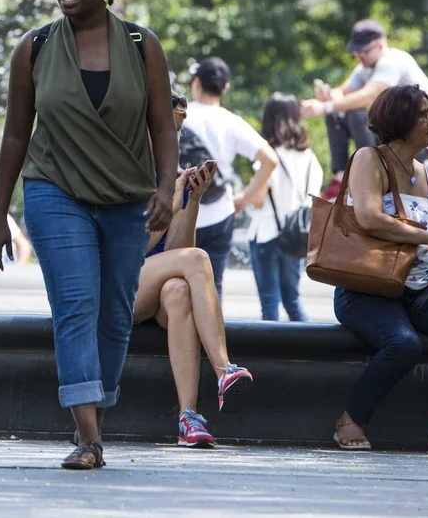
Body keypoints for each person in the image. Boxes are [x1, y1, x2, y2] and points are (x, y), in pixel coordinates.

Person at [0, 0, 180, 470]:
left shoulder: (143, 46)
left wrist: (167, 189)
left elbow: (163, 127)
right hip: (55, 191)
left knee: (116, 313)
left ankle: (95, 405)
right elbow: (15, 136)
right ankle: (88, 436)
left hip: (126, 198)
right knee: (75, 306)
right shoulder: (37, 46)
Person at [329, 84, 428, 453]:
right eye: (422, 114)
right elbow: (369, 219)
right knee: (403, 344)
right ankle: (350, 419)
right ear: (398, 118)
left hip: (414, 291)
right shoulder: (370, 159)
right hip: (365, 290)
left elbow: (420, 251)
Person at [131, 94, 242, 448]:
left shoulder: (173, 177)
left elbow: (177, 251)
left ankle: (188, 417)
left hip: (155, 291)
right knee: (197, 259)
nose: (173, 139)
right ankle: (223, 369)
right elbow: (128, 255)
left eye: (178, 131)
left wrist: (191, 200)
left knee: (179, 290)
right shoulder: (125, 174)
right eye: (167, 128)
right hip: (121, 288)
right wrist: (172, 198)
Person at [181, 57, 278, 294]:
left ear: (196, 83)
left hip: (181, 214)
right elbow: (270, 160)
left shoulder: (180, 116)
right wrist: (244, 199)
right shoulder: (231, 122)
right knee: (212, 288)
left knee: (178, 285)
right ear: (225, 88)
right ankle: (213, 331)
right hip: (219, 214)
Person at [301, 20, 428, 177]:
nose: (359, 56)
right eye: (356, 52)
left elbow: (369, 95)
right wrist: (327, 97)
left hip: (415, 141)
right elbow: (342, 92)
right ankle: (340, 175)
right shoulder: (365, 68)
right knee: (336, 114)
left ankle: (368, 167)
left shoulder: (392, 61)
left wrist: (326, 107)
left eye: (364, 51)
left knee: (355, 112)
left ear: (380, 46)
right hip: (393, 137)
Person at [248, 93, 322, 322]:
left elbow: (258, 200)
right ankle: (312, 353)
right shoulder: (310, 158)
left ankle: (268, 356)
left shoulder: (268, 157)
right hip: (297, 238)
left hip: (266, 235)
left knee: (270, 303)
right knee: (292, 301)